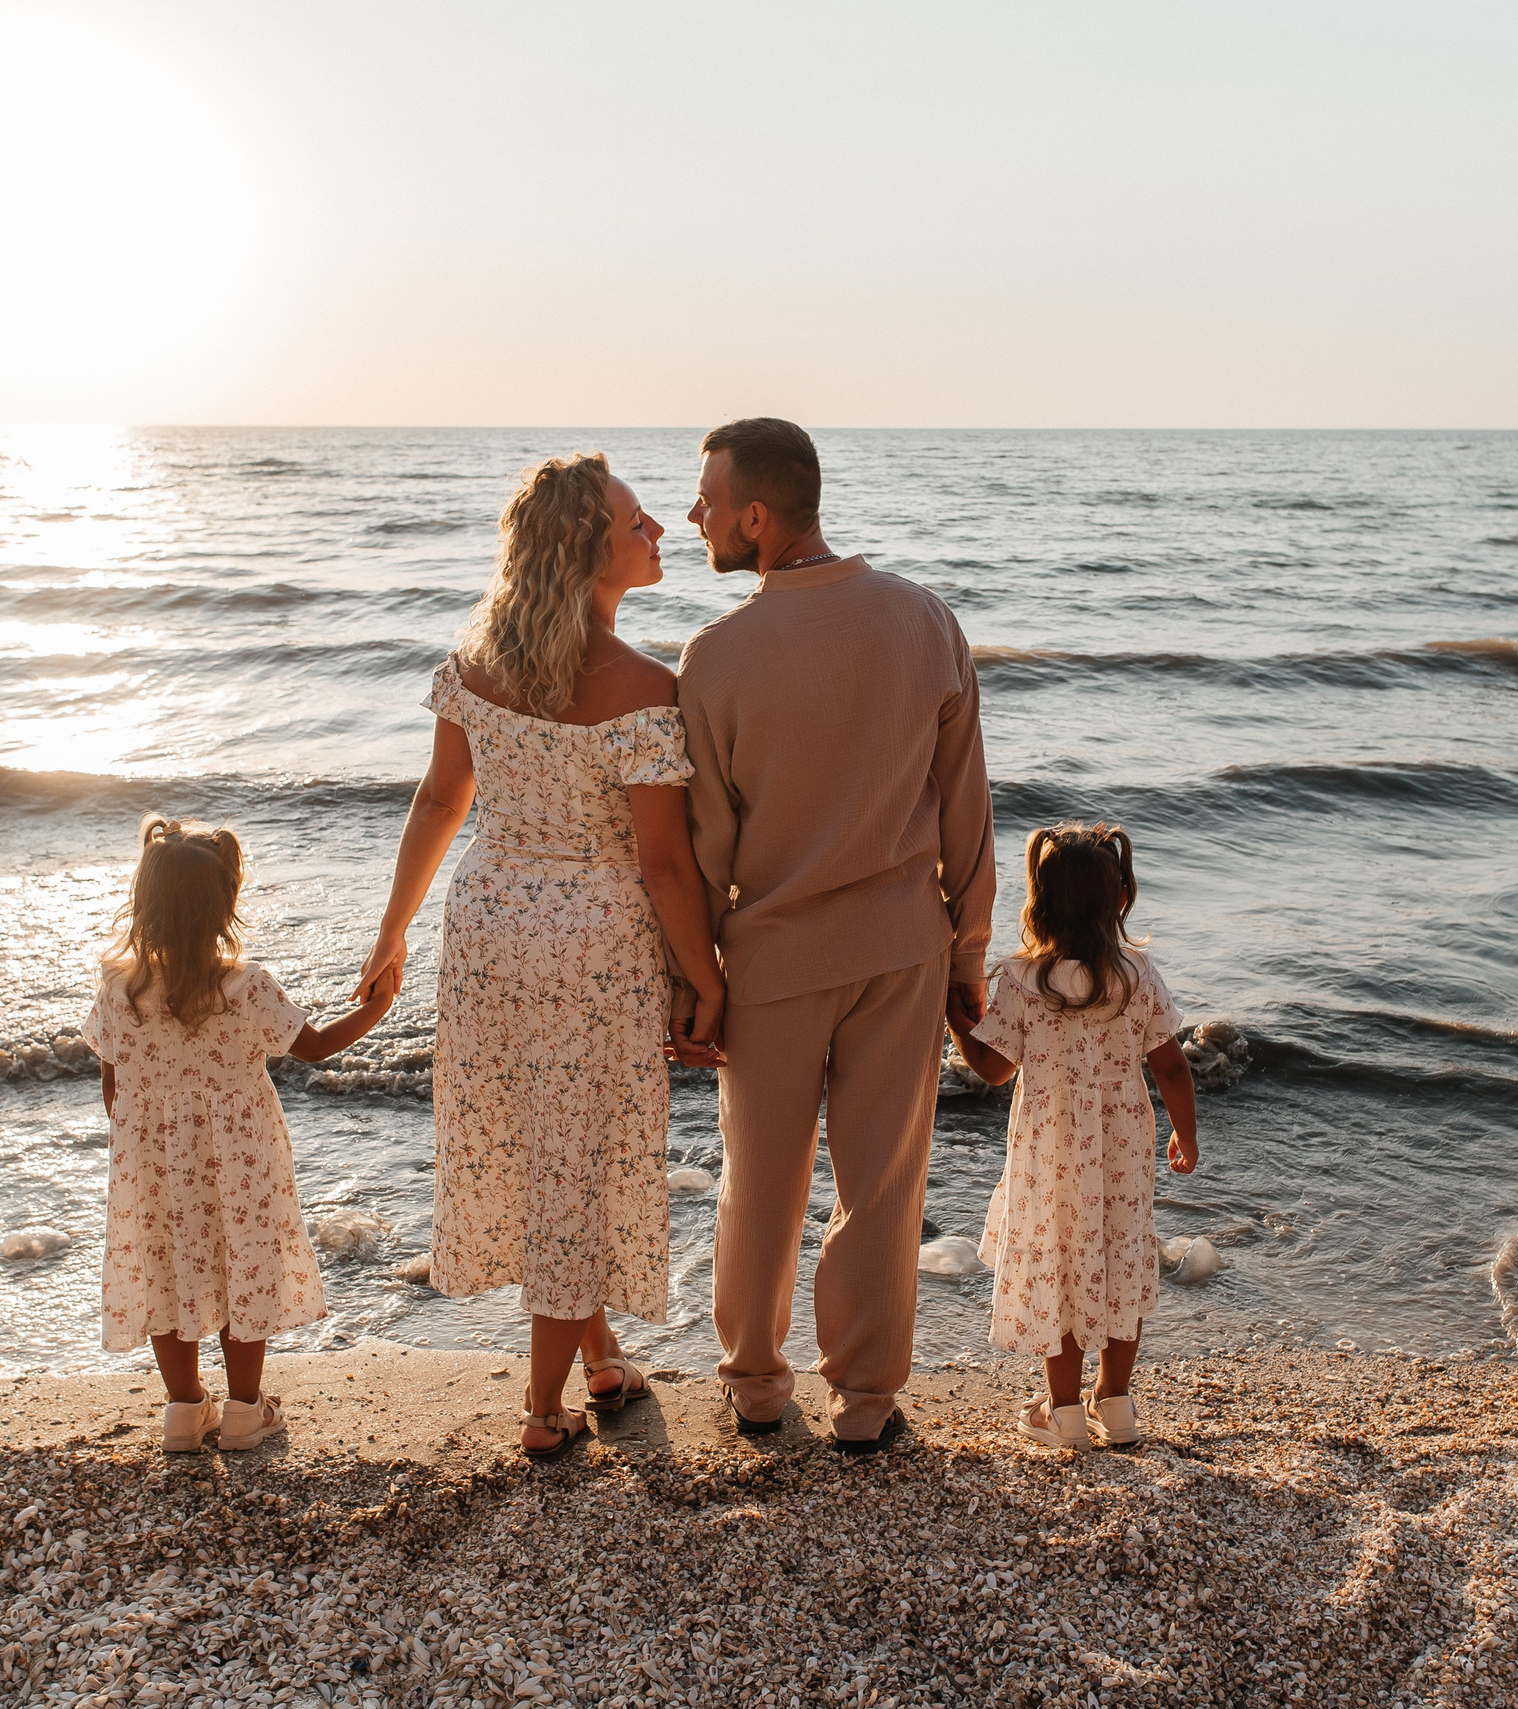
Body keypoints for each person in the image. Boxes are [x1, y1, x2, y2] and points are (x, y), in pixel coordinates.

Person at [356, 453, 727, 1459]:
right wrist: (706, 979)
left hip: (488, 927)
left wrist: (392, 932)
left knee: (540, 1147)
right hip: (593, 944)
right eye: (638, 523)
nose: (659, 531)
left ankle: (600, 1359)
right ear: (588, 550)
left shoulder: (477, 662)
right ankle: (541, 1407)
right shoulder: (645, 686)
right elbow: (663, 865)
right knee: (577, 1156)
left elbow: (440, 802)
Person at [677, 416, 996, 1453]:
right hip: (902, 950)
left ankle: (757, 1389)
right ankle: (863, 1403)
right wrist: (969, 953)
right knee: (883, 1187)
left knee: (759, 1184)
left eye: (708, 500)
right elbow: (967, 806)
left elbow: (705, 848)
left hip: (771, 961)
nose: (694, 514)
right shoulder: (925, 619)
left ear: (755, 518)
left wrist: (694, 980)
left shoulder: (715, 657)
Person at [83, 815, 394, 1454]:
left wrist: (147, 1139)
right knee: (241, 1267)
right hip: (240, 1158)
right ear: (225, 906)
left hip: (151, 1159)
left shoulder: (120, 990)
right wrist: (377, 1007)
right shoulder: (245, 986)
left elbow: (114, 1084)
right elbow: (314, 1048)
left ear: (145, 901)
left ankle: (183, 1408)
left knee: (167, 1271)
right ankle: (245, 1410)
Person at [947, 821, 1200, 1450]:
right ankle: (1116, 1404)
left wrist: (955, 1019)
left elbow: (994, 1070)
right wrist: (1186, 1135)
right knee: (1119, 1261)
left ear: (1037, 903)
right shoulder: (1137, 976)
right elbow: (1172, 1066)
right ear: (1121, 899)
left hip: (1050, 1155)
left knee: (1060, 1268)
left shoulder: (1023, 981)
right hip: (1124, 1151)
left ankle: (1062, 1413)